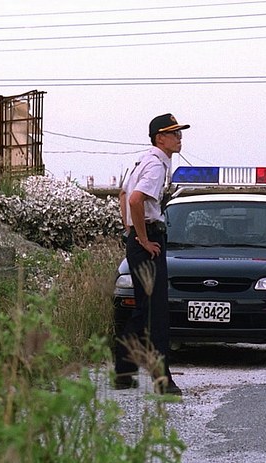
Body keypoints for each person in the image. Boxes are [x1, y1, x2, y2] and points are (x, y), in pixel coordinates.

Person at [113, 113, 189, 396]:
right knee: (156, 314)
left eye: (180, 133)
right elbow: (134, 199)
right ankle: (162, 380)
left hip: (140, 238)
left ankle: (123, 371)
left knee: (144, 310)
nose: (179, 138)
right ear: (160, 138)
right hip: (150, 239)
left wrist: (130, 230)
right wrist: (143, 238)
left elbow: (123, 195)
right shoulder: (156, 165)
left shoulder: (144, 160)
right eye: (174, 133)